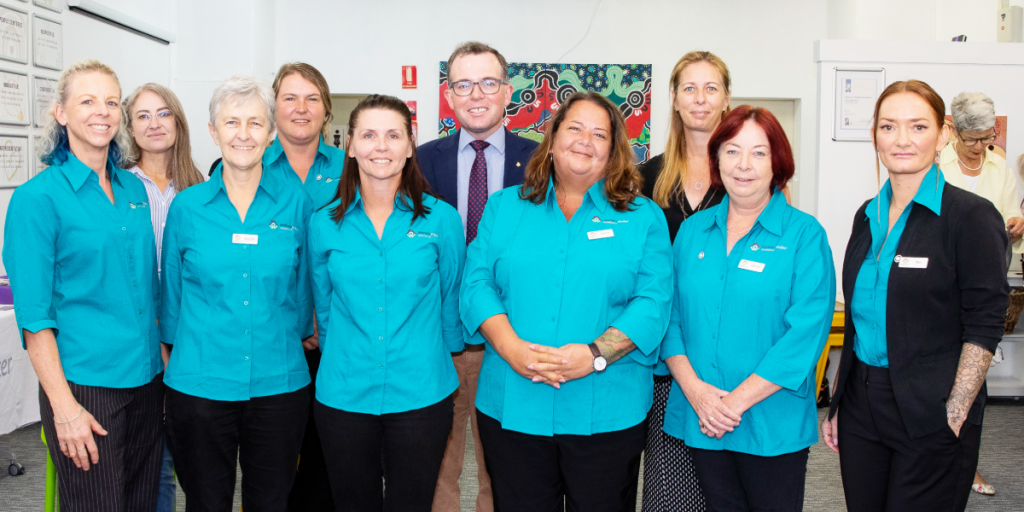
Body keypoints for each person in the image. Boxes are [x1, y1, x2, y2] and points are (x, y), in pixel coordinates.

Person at [461, 91, 673, 511]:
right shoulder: (504, 207)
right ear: (552, 138)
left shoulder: (643, 217)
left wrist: (595, 354)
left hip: (607, 408)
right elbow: (477, 283)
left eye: (599, 134)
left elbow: (653, 302)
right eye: (574, 128)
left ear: (613, 152)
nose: (584, 140)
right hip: (515, 403)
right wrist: (512, 349)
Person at [822, 80, 1009, 512]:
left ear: (943, 134)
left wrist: (956, 410)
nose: (902, 139)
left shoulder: (970, 217)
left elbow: (985, 319)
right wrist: (840, 401)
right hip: (863, 406)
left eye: (918, 126)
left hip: (933, 407)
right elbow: (858, 318)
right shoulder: (866, 215)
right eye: (888, 127)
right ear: (875, 136)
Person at [3, 60, 163, 512]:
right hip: (86, 387)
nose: (102, 112)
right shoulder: (37, 199)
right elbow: (35, 319)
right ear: (61, 113)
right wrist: (65, 408)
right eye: (87, 101)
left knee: (140, 504)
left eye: (111, 102)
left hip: (147, 381)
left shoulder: (133, 189)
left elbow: (146, 291)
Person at [661, 106, 835, 512]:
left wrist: (731, 405)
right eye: (732, 151)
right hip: (703, 414)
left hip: (770, 419)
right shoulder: (691, 232)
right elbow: (669, 318)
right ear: (717, 159)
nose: (744, 165)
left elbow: (805, 334)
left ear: (778, 164)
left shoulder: (804, 235)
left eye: (759, 153)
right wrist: (699, 395)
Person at [161, 76, 314, 511]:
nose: (243, 134)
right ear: (213, 131)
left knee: (271, 502)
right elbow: (171, 301)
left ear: (270, 133)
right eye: (231, 122)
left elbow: (303, 295)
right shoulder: (187, 208)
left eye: (254, 123)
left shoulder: (296, 203)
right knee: (206, 502)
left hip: (278, 385)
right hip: (200, 386)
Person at [309, 94, 464, 511]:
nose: (381, 146)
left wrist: (441, 355)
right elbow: (323, 305)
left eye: (393, 135)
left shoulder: (442, 220)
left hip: (421, 392)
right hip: (345, 392)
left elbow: (451, 300)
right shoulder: (323, 224)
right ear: (351, 145)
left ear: (410, 145)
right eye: (369, 135)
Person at [418, 41, 539, 512]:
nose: (476, 94)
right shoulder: (422, 161)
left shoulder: (541, 162)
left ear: (507, 91)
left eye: (488, 82)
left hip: (514, 335)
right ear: (449, 95)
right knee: (438, 460)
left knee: (507, 463)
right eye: (463, 84)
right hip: (441, 336)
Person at [638, 50, 731, 512]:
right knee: (670, 484)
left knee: (728, 480)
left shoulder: (747, 176)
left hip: (729, 351)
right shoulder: (644, 179)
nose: (700, 99)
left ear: (726, 98)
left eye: (710, 88)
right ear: (673, 99)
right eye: (689, 88)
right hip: (662, 356)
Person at [122, 82, 205, 512]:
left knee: (183, 459)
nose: (154, 124)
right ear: (130, 129)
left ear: (178, 120)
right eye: (143, 116)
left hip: (187, 338)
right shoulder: (118, 186)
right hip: (138, 336)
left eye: (163, 113)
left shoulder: (201, 188)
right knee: (144, 459)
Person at [267, 62, 343, 512]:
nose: (301, 108)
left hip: (338, 333)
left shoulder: (350, 167)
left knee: (328, 452)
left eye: (312, 98)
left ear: (326, 110)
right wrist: (299, 319)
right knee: (272, 455)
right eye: (290, 98)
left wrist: (319, 317)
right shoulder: (248, 165)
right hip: (272, 332)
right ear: (274, 107)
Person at [939, 91, 1021, 497]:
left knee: (975, 385)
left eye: (986, 137)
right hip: (940, 288)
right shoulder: (937, 164)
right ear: (953, 129)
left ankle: (967, 468)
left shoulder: (1000, 167)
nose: (979, 146)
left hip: (983, 285)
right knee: (939, 380)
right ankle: (933, 460)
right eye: (971, 138)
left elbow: (1009, 212)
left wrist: (1016, 222)